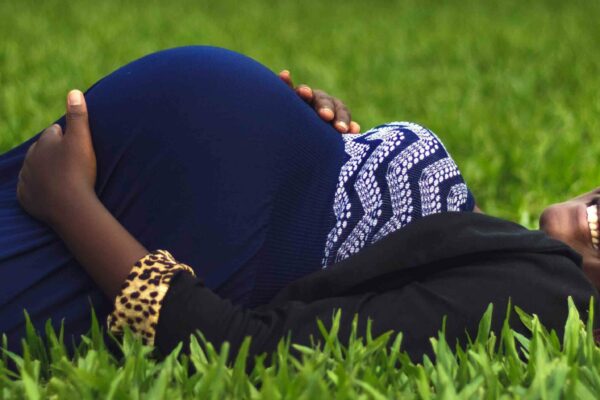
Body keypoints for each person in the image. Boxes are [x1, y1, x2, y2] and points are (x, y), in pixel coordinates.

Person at [3, 46, 598, 358]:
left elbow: (255, 348)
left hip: (90, 216)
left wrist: (69, 203)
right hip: (120, 176)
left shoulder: (557, 296)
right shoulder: (530, 259)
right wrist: (328, 142)